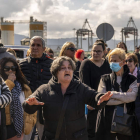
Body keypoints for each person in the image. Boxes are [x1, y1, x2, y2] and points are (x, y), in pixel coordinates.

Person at [23, 56, 113, 140]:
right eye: (63, 68)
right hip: (52, 137)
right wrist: (31, 104)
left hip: (78, 137)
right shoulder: (44, 89)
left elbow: (93, 96)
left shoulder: (80, 87)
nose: (67, 70)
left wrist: (101, 98)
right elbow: (28, 105)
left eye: (69, 68)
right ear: (55, 72)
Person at [96, 48, 138, 140]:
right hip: (107, 120)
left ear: (123, 62)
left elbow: (132, 97)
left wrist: (113, 94)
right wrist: (124, 96)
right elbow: (102, 98)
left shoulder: (132, 80)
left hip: (125, 122)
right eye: (111, 61)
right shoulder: (104, 79)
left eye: (115, 61)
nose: (112, 63)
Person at [19, 36, 53, 140]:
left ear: (44, 48)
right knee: (26, 136)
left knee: (45, 135)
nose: (35, 47)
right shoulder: (22, 64)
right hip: (27, 106)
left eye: (38, 45)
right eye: (33, 45)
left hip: (46, 106)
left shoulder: (52, 64)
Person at [79, 39, 112, 140]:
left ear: (104, 52)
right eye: (93, 50)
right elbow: (85, 84)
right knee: (91, 132)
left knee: (106, 131)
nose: (95, 53)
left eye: (98, 51)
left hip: (106, 102)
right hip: (91, 103)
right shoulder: (86, 64)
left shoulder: (107, 64)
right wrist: (91, 101)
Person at [0, 58, 37, 140]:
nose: (10, 71)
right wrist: (9, 82)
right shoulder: (2, 85)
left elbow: (31, 107)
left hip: (22, 129)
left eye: (13, 68)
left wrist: (31, 122)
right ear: (2, 70)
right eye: (7, 69)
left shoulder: (24, 87)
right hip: (4, 130)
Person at [125, 53, 140, 136]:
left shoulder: (139, 74)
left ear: (135, 63)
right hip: (128, 111)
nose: (128, 63)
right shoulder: (124, 76)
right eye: (126, 61)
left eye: (130, 60)